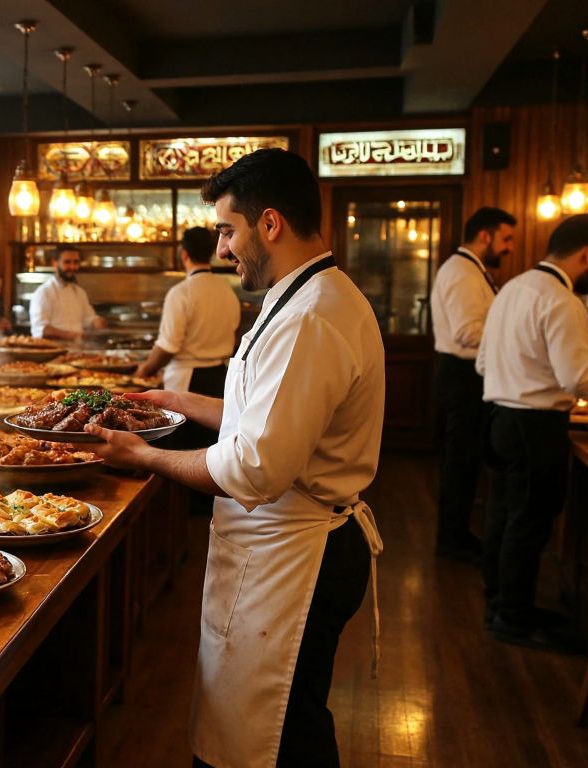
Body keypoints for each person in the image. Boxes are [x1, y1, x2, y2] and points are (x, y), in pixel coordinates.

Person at [85, 149, 383, 767]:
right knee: (265, 723)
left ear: (269, 223)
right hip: (280, 545)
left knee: (276, 737)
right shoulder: (299, 294)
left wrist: (144, 456)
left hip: (296, 555)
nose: (222, 248)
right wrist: (174, 400)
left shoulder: (310, 316)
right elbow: (263, 421)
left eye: (228, 229)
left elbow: (253, 466)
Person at [476, 214, 588, 653]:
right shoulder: (562, 300)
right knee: (528, 524)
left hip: (500, 418)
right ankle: (514, 620)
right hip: (534, 426)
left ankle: (500, 604)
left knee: (505, 517)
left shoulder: (511, 290)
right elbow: (580, 379)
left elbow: (483, 363)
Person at [429, 206, 515, 563]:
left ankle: (457, 536)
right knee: (460, 463)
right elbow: (467, 334)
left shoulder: (469, 269)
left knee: (463, 462)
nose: (508, 247)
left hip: (463, 375)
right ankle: (452, 542)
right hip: (461, 375)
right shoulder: (463, 273)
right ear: (485, 236)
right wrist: (513, 339)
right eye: (506, 238)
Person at [134, 226, 240, 398]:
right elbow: (235, 332)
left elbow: (168, 347)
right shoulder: (227, 290)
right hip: (220, 376)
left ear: (184, 254)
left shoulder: (181, 292)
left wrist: (144, 370)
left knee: (185, 425)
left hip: (187, 381)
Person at [28, 246, 107, 341]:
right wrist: (72, 336)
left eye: (76, 262)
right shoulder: (44, 293)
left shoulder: (79, 292)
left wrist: (96, 322)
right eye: (67, 262)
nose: (72, 267)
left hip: (77, 351)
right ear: (55, 263)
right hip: (52, 352)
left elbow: (88, 318)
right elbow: (41, 330)